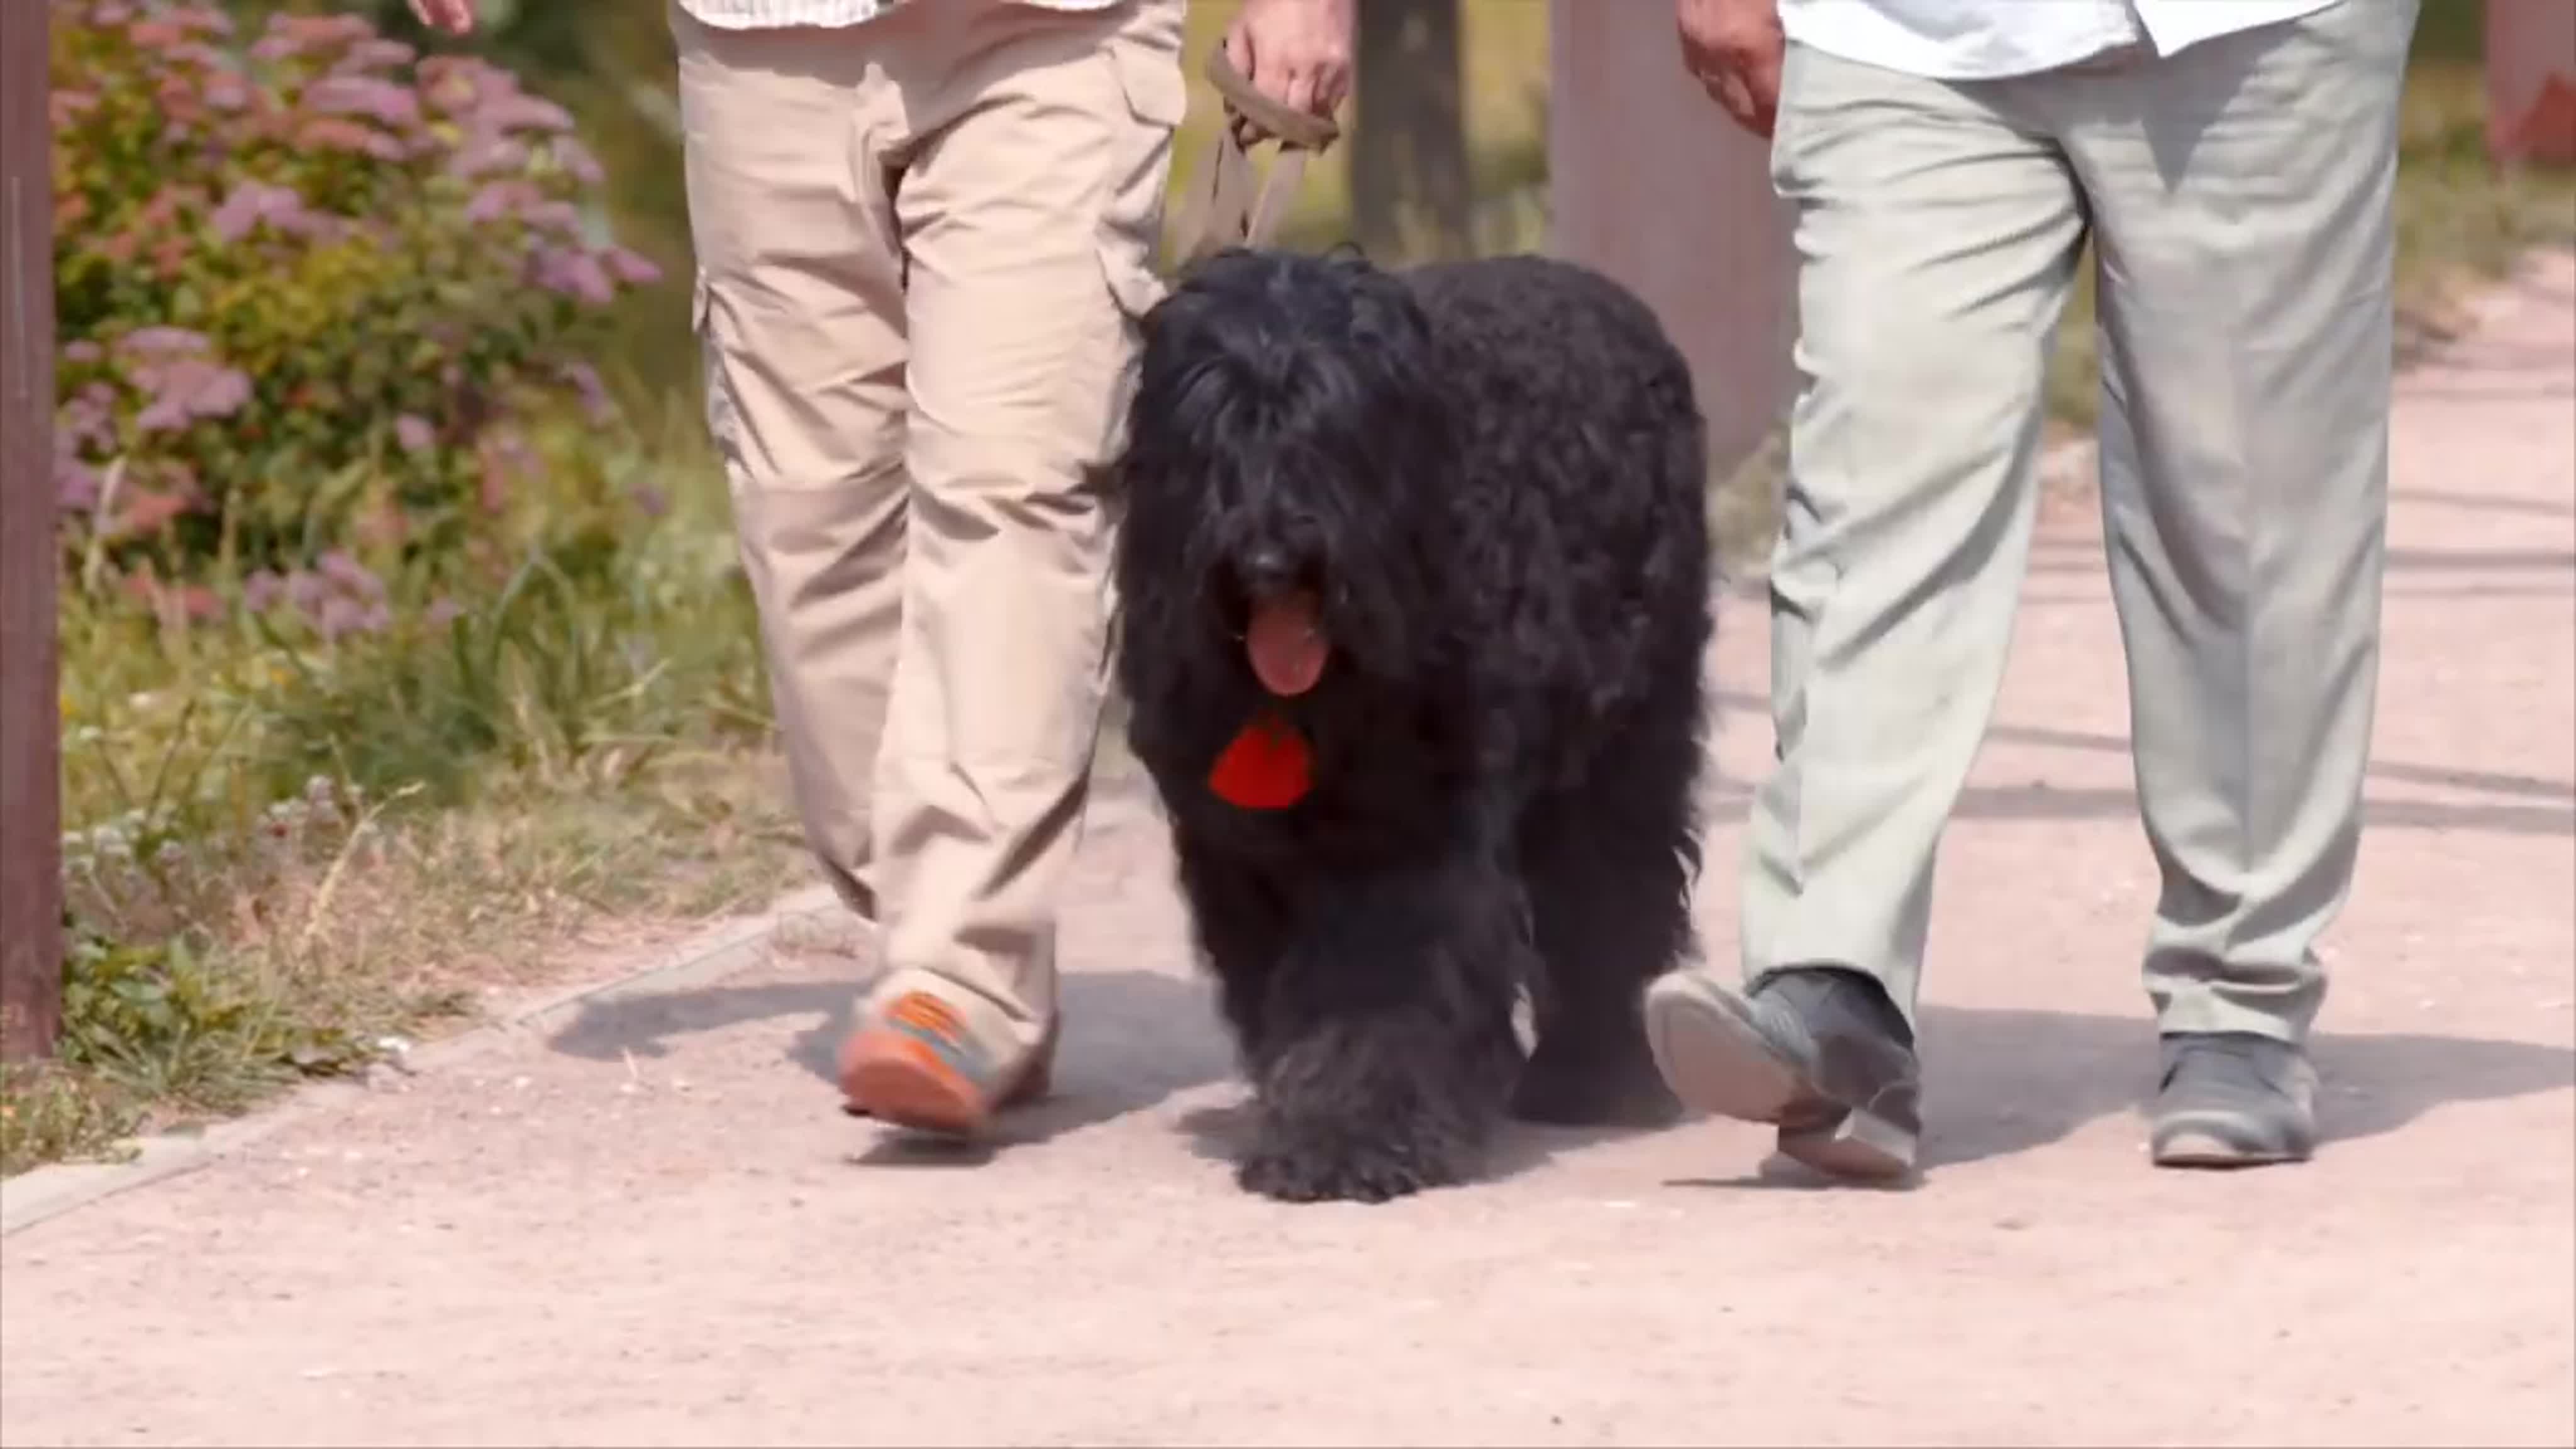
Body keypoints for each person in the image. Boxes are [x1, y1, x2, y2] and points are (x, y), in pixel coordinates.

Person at [409, 0, 1353, 1136]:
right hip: (764, 37)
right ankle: (946, 931)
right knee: (811, 516)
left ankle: (960, 971)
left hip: (1052, 35)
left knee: (1015, 483)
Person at [1648, 0, 2419, 1178]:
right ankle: (1830, 981)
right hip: (1900, 37)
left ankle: (2239, 1002)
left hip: (2258, 31)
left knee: (2249, 509)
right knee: (1869, 487)